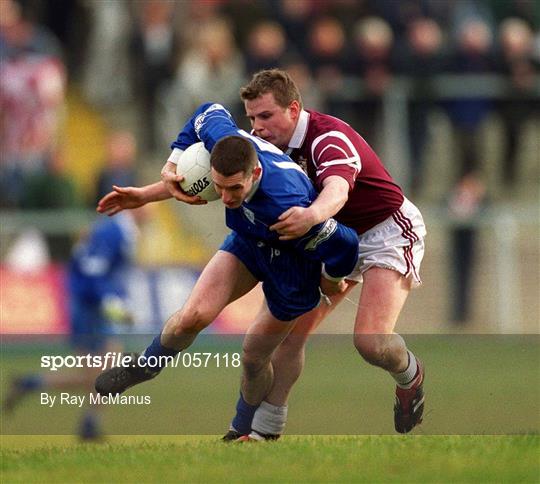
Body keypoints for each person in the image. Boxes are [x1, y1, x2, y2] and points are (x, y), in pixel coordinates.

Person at [101, 69, 427, 438]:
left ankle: (410, 375)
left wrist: (317, 233)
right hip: (310, 233)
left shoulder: (326, 141)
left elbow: (337, 191)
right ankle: (263, 431)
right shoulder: (252, 148)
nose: (257, 127)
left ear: (293, 109)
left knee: (371, 343)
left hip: (381, 230)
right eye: (252, 117)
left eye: (266, 116)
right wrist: (149, 190)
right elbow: (210, 135)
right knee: (286, 339)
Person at [3, 208, 146, 440]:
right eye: (148, 204)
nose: (152, 210)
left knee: (101, 373)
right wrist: (110, 301)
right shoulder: (113, 230)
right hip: (88, 308)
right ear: (135, 206)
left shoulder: (119, 229)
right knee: (104, 373)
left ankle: (32, 386)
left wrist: (115, 301)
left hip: (92, 305)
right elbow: (92, 269)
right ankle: (88, 424)